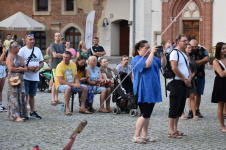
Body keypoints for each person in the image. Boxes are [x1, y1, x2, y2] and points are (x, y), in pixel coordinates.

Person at [131, 40, 166, 143]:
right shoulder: (136, 59)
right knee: (144, 113)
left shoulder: (153, 57)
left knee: (148, 114)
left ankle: (145, 135)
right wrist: (151, 53)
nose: (149, 49)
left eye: (149, 48)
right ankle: (136, 136)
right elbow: (147, 65)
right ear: (140, 49)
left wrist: (162, 55)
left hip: (153, 89)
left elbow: (163, 64)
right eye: (147, 48)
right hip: (143, 90)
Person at [168, 34, 192, 139]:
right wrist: (184, 78)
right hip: (176, 83)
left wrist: (189, 78)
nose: (187, 42)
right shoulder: (174, 53)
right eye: (184, 41)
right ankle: (171, 131)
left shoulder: (184, 54)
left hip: (184, 83)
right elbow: (174, 68)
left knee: (180, 106)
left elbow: (188, 68)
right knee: (174, 106)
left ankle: (175, 128)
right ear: (178, 42)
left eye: (187, 41)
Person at [55, 51, 90, 115]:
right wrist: (73, 85)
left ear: (70, 58)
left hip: (72, 84)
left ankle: (82, 107)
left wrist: (77, 83)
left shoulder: (73, 65)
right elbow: (61, 81)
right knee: (68, 88)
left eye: (67, 57)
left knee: (85, 87)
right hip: (61, 85)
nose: (65, 59)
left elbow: (76, 77)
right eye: (64, 57)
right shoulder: (59, 66)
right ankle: (67, 109)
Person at [18, 34, 44, 119]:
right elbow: (19, 64)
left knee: (32, 95)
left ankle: (32, 111)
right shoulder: (22, 50)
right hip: (25, 76)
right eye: (30, 39)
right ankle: (24, 112)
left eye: (33, 39)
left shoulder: (37, 50)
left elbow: (41, 62)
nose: (32, 41)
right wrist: (29, 68)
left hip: (35, 76)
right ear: (26, 41)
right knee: (25, 94)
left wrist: (38, 68)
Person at [6, 41, 28, 122]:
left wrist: (22, 69)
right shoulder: (10, 56)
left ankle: (22, 113)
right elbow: (10, 68)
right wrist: (20, 69)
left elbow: (25, 67)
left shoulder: (20, 57)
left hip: (20, 79)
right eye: (17, 47)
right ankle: (15, 115)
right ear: (13, 48)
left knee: (21, 95)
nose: (19, 48)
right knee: (14, 96)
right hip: (13, 79)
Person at [189, 39, 209, 118]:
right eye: (192, 46)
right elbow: (189, 62)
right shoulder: (188, 50)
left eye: (195, 46)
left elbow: (207, 59)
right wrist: (201, 61)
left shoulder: (202, 49)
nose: (194, 48)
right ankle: (191, 111)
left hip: (201, 75)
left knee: (199, 93)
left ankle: (197, 110)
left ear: (198, 45)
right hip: (191, 76)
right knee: (191, 94)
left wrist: (195, 63)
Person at [211, 42, 226, 133]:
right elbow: (221, 74)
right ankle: (222, 126)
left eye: (225, 48)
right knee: (221, 105)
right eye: (223, 48)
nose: (225, 50)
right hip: (220, 84)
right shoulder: (215, 61)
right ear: (219, 50)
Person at [50, 32, 65, 106]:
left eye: (59, 36)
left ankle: (56, 98)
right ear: (54, 37)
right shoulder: (52, 45)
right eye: (56, 36)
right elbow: (54, 55)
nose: (58, 37)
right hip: (54, 66)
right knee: (54, 83)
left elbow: (65, 55)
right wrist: (61, 55)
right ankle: (53, 99)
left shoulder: (62, 46)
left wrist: (61, 55)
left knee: (58, 82)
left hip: (61, 66)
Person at [184, 44, 198, 120]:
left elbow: (195, 70)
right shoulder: (182, 57)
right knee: (183, 97)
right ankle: (182, 114)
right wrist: (186, 78)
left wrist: (190, 78)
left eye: (190, 48)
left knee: (192, 96)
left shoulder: (192, 58)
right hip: (184, 79)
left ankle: (194, 114)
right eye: (188, 48)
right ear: (185, 49)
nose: (190, 49)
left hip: (191, 79)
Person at [0, 39, 7, 112]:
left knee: (1, 89)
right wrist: (4, 53)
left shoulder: (2, 51)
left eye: (0, 41)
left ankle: (0, 104)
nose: (0, 43)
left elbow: (6, 61)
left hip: (3, 70)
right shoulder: (3, 52)